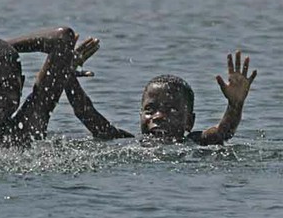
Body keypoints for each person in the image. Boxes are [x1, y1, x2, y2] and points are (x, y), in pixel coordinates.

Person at [66, 44, 257, 146]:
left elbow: (224, 132)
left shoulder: (194, 142)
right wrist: (67, 73)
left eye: (172, 110)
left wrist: (235, 104)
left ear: (189, 122)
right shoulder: (126, 143)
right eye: (149, 110)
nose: (157, 116)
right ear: (139, 115)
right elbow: (86, 113)